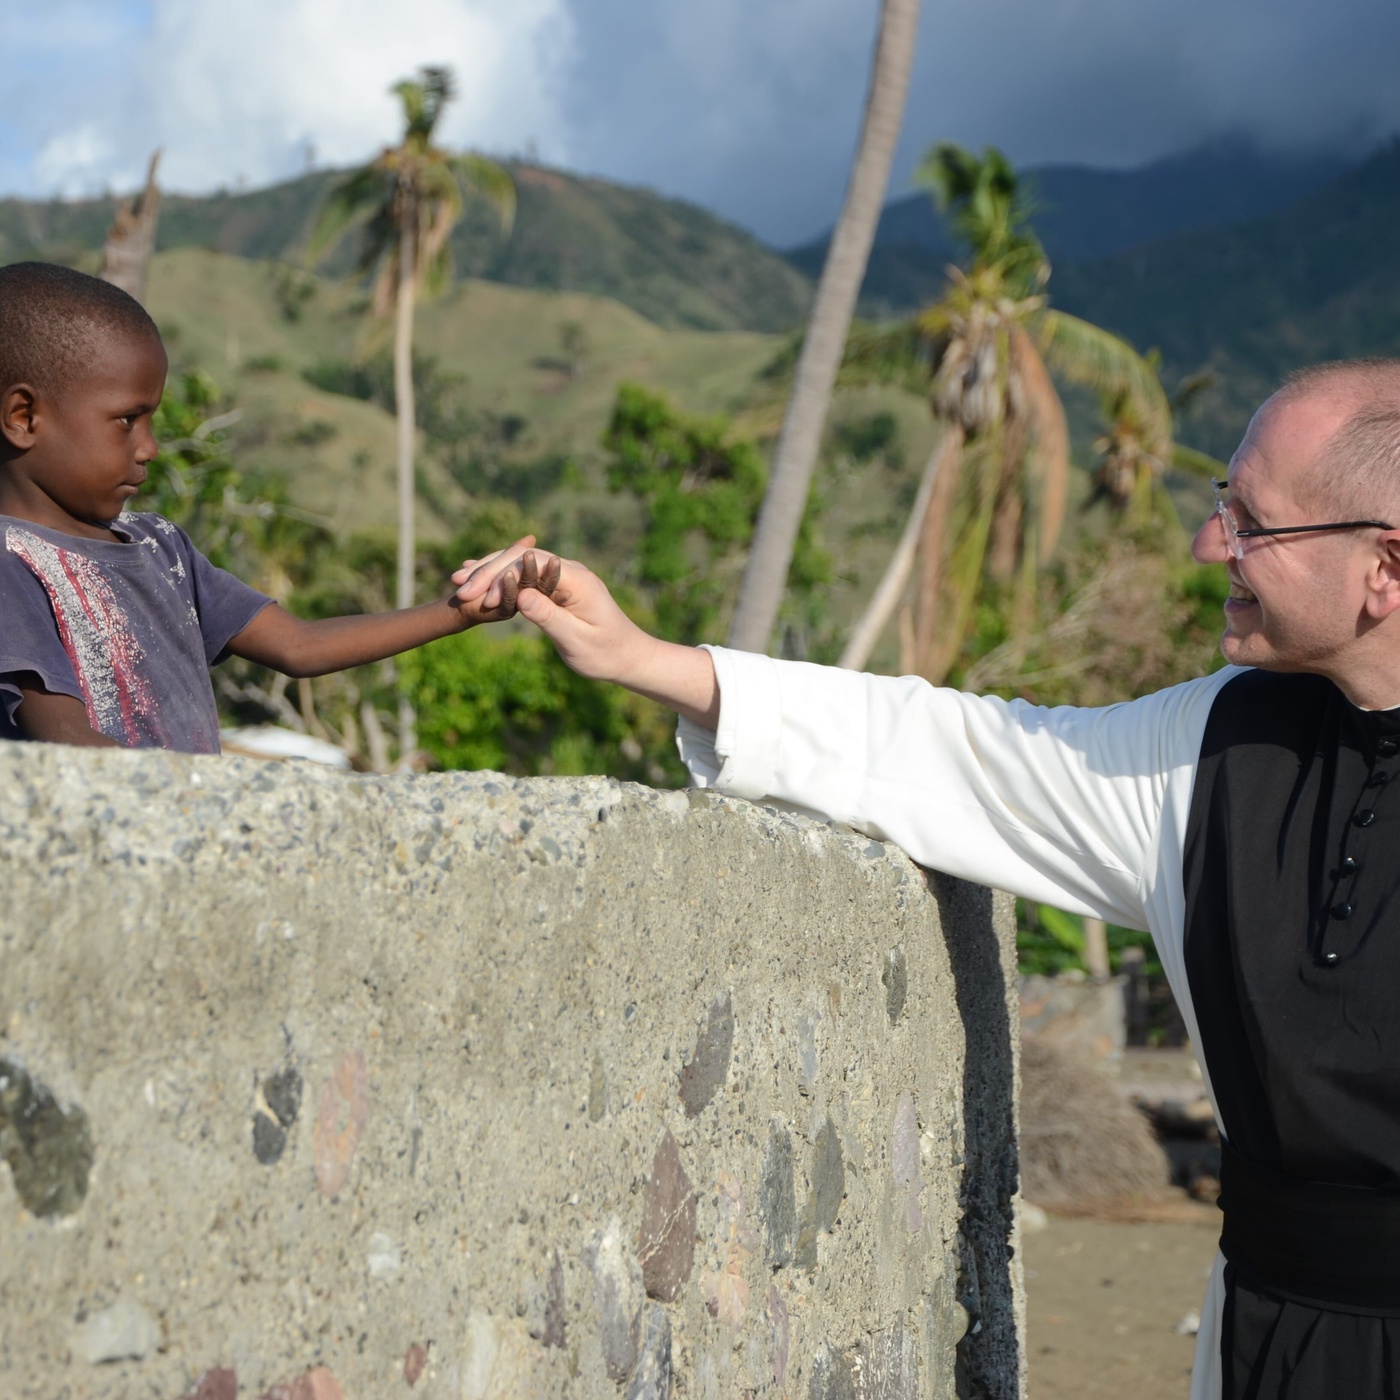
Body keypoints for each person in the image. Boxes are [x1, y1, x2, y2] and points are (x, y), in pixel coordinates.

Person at [458, 359, 1400, 1400]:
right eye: (1222, 505)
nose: (1207, 543)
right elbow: (954, 752)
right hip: (1259, 1331)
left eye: (1250, 524)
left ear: (1383, 567)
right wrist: (649, 659)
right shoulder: (1213, 740)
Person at [0, 262, 541, 753]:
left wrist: (462, 610)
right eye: (126, 420)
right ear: (23, 417)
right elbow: (67, 743)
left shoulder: (161, 546)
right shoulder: (11, 566)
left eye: (151, 421)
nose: (149, 447)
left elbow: (299, 644)